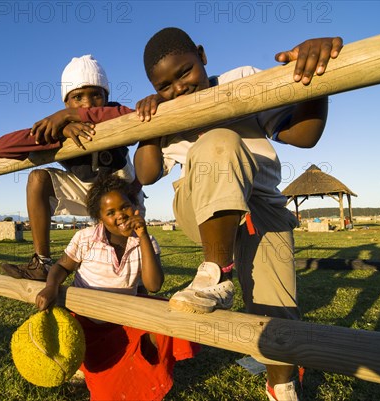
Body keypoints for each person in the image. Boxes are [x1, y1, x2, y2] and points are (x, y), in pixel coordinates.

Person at [131, 28, 343, 401]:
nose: (178, 88)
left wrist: (315, 82)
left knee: (277, 313)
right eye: (164, 86)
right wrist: (149, 128)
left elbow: (304, 135)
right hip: (201, 209)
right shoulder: (168, 112)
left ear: (202, 55)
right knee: (218, 141)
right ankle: (216, 273)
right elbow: (147, 175)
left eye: (184, 73)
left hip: (262, 205)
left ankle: (282, 387)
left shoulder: (240, 80)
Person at [35, 174, 199, 401]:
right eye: (110, 213)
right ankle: (98, 372)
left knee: (168, 316)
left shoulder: (146, 242)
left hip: (123, 319)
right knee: (106, 389)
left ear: (134, 206)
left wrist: (142, 236)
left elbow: (153, 285)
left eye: (124, 207)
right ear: (99, 217)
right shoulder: (86, 238)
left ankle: (142, 375)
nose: (120, 215)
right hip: (86, 323)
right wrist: (52, 287)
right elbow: (63, 266)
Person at [0, 55, 142, 281]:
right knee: (37, 178)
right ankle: (42, 263)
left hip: (124, 194)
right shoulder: (60, 126)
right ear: (65, 101)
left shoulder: (114, 114)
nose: (88, 104)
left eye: (96, 95)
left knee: (131, 270)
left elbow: (135, 118)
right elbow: (1, 146)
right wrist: (60, 131)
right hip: (85, 191)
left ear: (107, 97)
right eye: (78, 98)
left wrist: (72, 114)